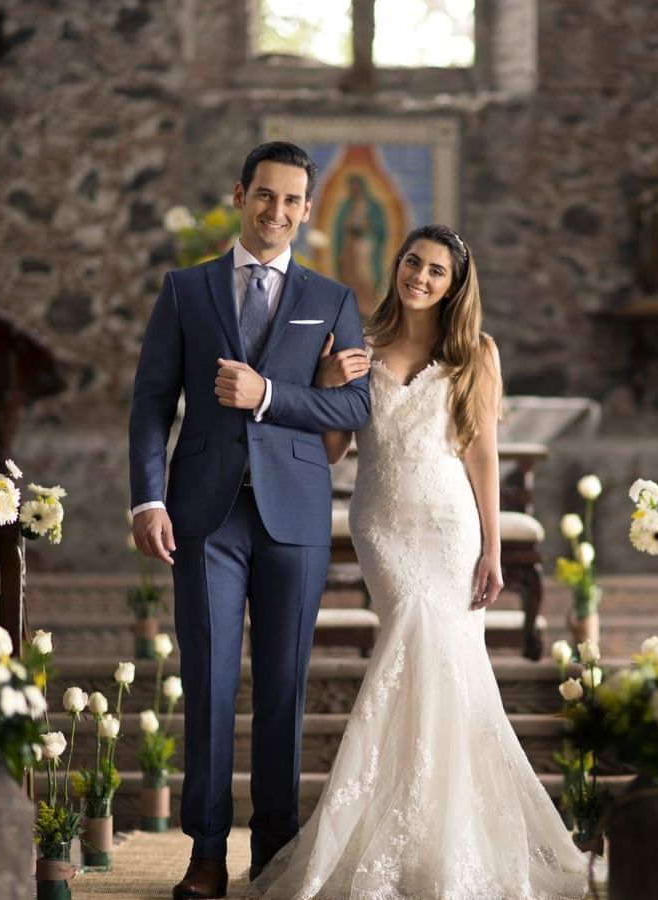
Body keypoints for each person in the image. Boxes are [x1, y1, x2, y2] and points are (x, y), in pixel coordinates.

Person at [248, 225, 590, 899]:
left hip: (449, 526)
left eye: (437, 271)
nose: (421, 277)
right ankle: (399, 835)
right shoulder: (358, 343)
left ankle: (445, 844)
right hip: (383, 525)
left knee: (445, 664)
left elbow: (482, 455)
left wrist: (493, 545)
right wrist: (322, 383)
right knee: (411, 646)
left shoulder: (475, 353)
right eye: (413, 262)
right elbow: (333, 451)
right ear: (396, 263)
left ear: (455, 285)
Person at [129, 141, 372, 900]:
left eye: (293, 200)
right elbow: (149, 405)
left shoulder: (333, 300)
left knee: (282, 691)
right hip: (203, 513)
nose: (277, 211)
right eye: (264, 196)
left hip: (295, 513)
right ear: (241, 196)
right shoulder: (185, 290)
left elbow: (356, 408)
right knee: (205, 684)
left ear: (307, 209)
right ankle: (205, 852)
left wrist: (271, 393)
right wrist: (147, 497)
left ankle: (273, 853)